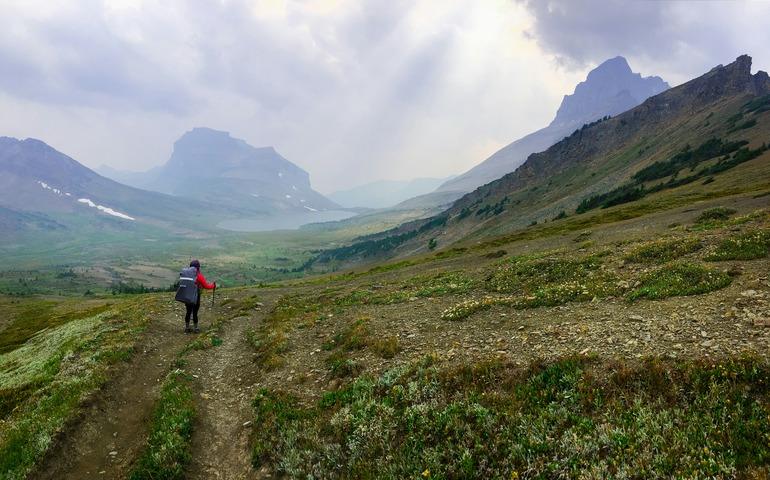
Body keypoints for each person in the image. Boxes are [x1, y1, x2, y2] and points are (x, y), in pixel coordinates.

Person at [185, 259, 216, 333]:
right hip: (196, 296)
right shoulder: (199, 275)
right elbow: (206, 286)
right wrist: (213, 285)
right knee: (195, 312)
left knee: (188, 312)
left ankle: (187, 327)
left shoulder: (186, 274)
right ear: (198, 267)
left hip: (187, 296)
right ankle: (195, 328)